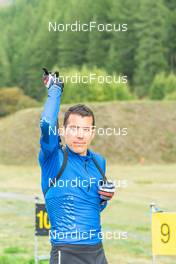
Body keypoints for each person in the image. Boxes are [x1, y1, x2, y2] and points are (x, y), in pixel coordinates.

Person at [38, 68, 115, 264]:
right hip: (67, 252)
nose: (80, 135)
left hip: (97, 252)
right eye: (74, 128)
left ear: (92, 132)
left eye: (85, 129)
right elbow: (47, 123)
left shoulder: (99, 162)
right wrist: (55, 89)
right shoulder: (52, 158)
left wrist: (104, 199)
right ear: (62, 131)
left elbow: (91, 206)